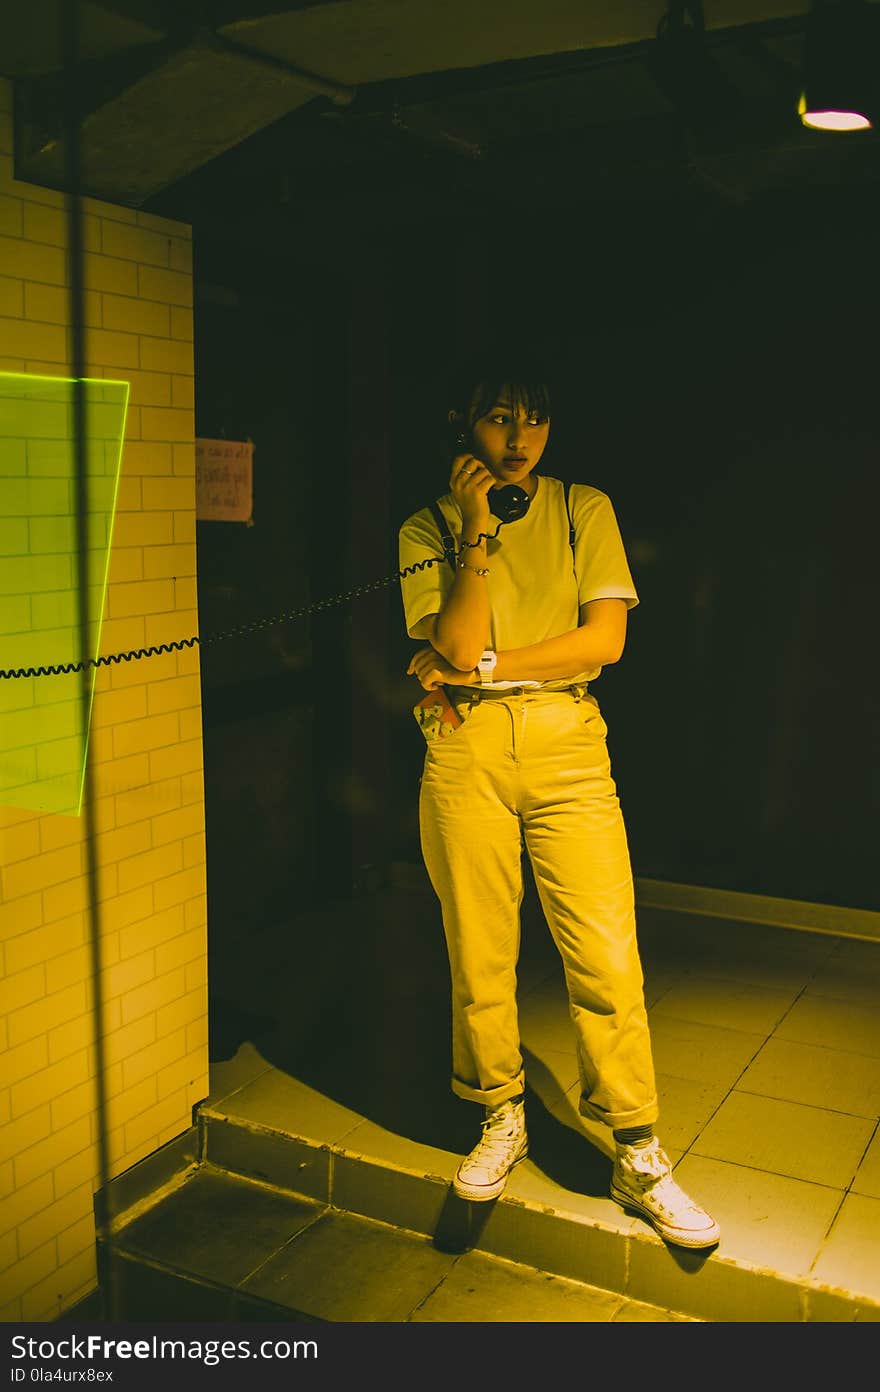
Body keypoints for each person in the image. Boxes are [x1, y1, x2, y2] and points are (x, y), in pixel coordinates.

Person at [397, 353, 720, 1250]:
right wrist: (474, 530)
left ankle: (637, 1145)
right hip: (465, 751)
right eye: (500, 417)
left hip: (567, 740)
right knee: (480, 949)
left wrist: (486, 667)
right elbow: (452, 636)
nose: (519, 437)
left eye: (533, 418)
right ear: (466, 426)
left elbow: (603, 641)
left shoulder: (585, 509)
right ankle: (500, 1113)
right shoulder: (428, 525)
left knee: (607, 952)